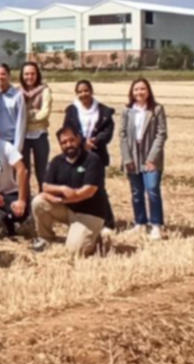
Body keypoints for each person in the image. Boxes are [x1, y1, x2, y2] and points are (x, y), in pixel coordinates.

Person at [31, 125, 109, 257]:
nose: (68, 145)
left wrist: (67, 197)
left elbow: (88, 191)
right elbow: (45, 186)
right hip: (67, 209)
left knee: (74, 251)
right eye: (64, 142)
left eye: (71, 140)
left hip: (90, 213)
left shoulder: (92, 160)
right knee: (38, 202)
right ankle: (46, 238)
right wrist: (62, 189)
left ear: (79, 139)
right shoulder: (57, 161)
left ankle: (99, 237)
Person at [63, 79, 116, 228]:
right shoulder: (71, 110)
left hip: (97, 154)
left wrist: (95, 141)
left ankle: (107, 221)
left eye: (86, 90)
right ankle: (81, 218)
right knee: (78, 186)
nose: (83, 94)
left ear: (91, 91)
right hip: (78, 154)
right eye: (80, 91)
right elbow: (67, 130)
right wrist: (81, 143)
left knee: (98, 187)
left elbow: (108, 131)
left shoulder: (104, 110)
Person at [120, 78, 168, 240]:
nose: (139, 92)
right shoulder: (127, 110)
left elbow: (161, 134)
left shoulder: (157, 109)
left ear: (148, 91)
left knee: (152, 189)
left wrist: (152, 158)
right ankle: (140, 222)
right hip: (133, 154)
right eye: (136, 89)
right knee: (136, 192)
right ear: (131, 93)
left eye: (142, 89)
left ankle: (156, 224)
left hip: (150, 155)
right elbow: (123, 135)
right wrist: (127, 157)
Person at [19, 61, 53, 192]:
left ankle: (43, 201)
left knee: (42, 170)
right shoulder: (18, 91)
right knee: (24, 171)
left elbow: (44, 113)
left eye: (32, 73)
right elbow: (16, 114)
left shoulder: (45, 90)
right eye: (26, 74)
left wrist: (26, 116)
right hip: (23, 136)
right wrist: (33, 113)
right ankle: (25, 202)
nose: (29, 77)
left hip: (40, 135)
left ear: (37, 75)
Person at [0, 63, 27, 157]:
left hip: (11, 140)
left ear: (9, 76)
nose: (0, 77)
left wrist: (17, 147)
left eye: (3, 74)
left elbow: (21, 122)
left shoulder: (17, 96)